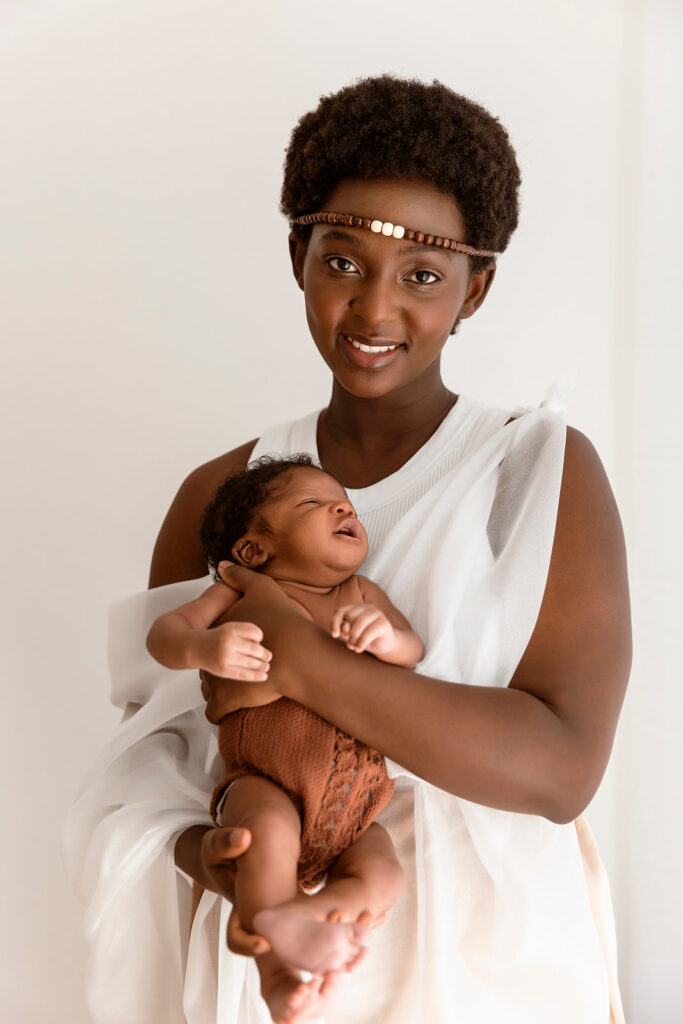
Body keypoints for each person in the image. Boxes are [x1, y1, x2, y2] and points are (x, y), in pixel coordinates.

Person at [65, 75, 631, 1024]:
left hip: (478, 960)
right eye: (342, 261)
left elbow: (560, 769)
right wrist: (210, 856)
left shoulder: (531, 471)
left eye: (421, 276)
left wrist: (302, 658)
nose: (374, 310)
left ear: (474, 288)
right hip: (267, 947)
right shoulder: (221, 491)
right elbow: (154, 760)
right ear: (299, 257)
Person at [146, 455, 422, 1022]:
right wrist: (205, 649)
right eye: (311, 503)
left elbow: (411, 649)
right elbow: (164, 634)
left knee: (384, 874)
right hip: (263, 783)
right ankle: (277, 976)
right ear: (253, 551)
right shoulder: (236, 593)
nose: (342, 507)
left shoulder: (361, 594)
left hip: (356, 807)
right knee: (265, 834)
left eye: (344, 500)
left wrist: (384, 638)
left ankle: (319, 914)